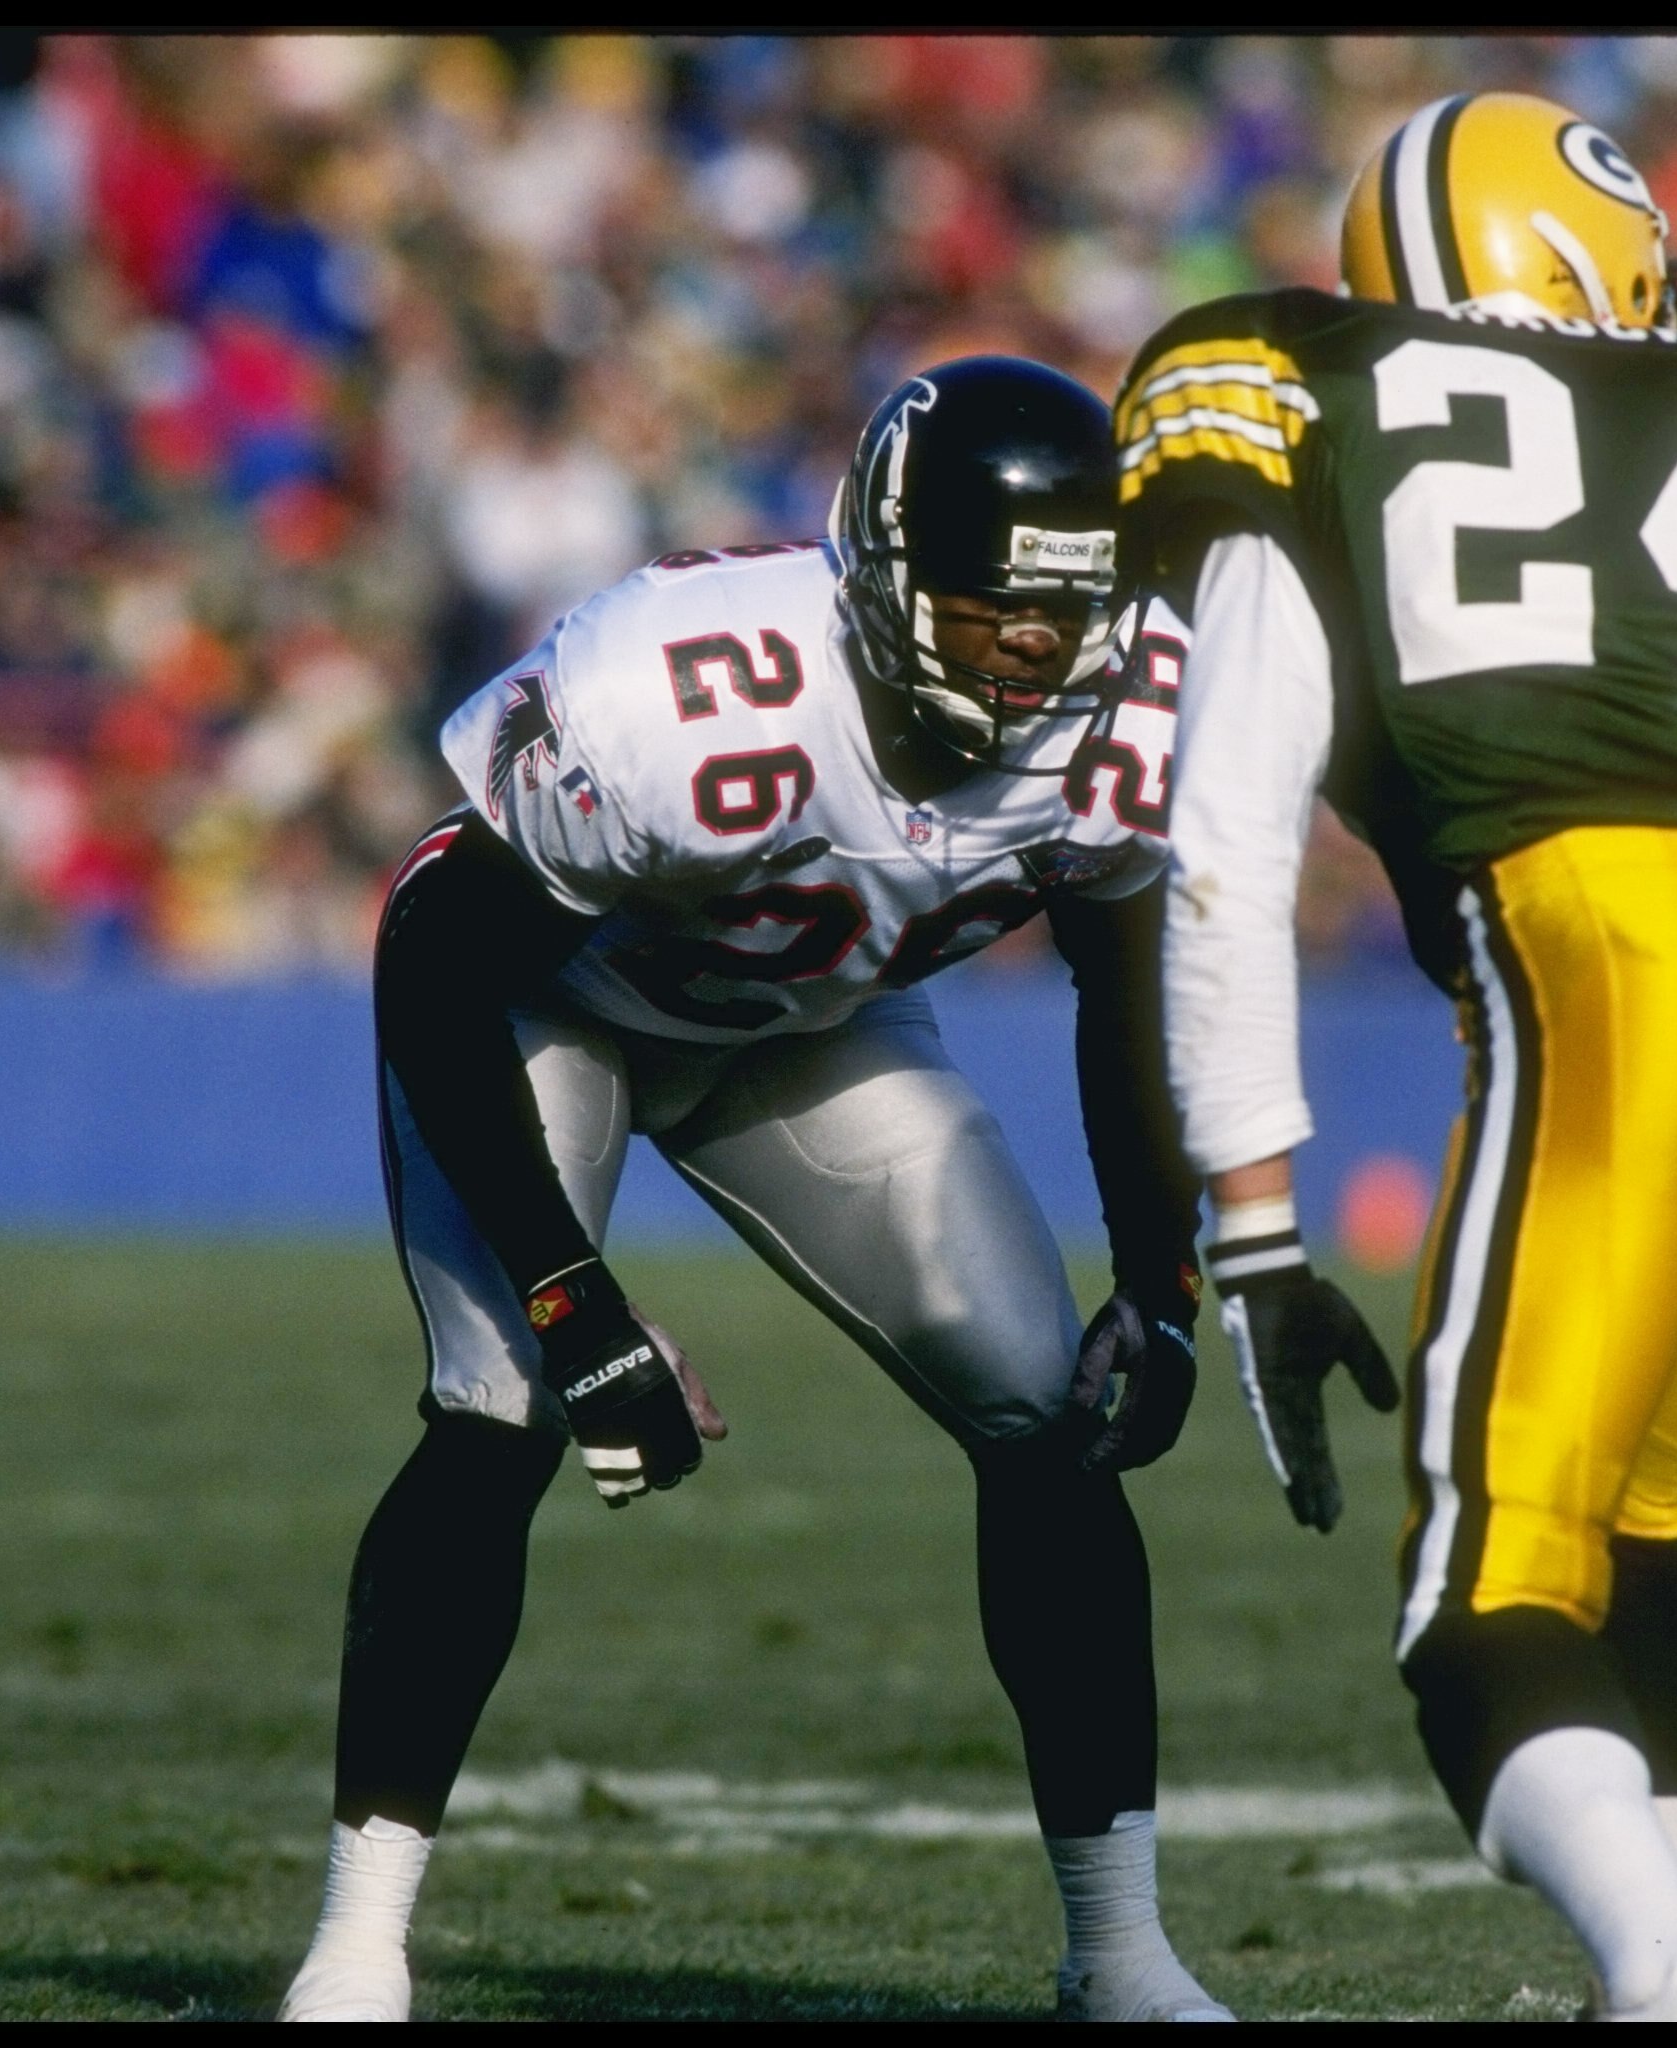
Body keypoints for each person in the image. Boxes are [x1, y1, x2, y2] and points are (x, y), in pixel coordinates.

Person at [1116, 93, 1677, 2021]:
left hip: (1604, 947)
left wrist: (1249, 1223)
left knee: (1483, 1598)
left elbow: (1224, 839)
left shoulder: (1301, 379)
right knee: (1657, 1517)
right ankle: (1667, 1979)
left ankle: (1672, 1977)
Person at [278, 357, 1230, 2023]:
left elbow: (1127, 980)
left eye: (1061, 610)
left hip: (808, 1031)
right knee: (496, 1403)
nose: (1030, 646)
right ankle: (358, 1947)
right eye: (990, 603)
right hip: (549, 1009)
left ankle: (1122, 1955)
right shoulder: (689, 690)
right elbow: (436, 944)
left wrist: (1159, 1280)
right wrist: (580, 1308)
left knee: (1047, 1409)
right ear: (878, 567)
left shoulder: (1127, 701)